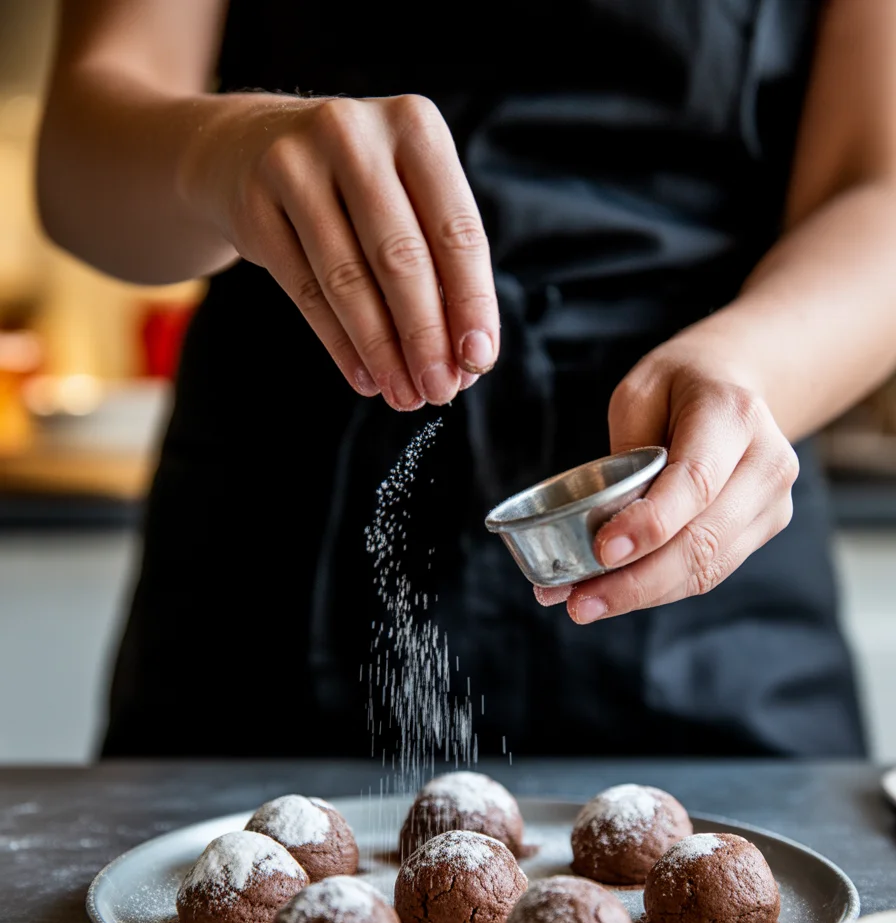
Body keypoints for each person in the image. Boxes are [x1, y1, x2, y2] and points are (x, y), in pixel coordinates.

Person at [37, 0, 896, 760]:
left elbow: (879, 188)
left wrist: (749, 365)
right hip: (274, 561)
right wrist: (223, 154)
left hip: (711, 576)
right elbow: (80, 152)